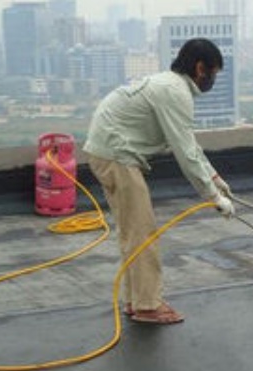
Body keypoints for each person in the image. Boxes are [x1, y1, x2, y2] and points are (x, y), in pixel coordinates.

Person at [83, 38, 234, 324]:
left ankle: (136, 301)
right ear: (200, 68)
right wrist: (213, 198)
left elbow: (189, 144)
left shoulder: (170, 85)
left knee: (132, 231)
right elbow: (185, 153)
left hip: (107, 152)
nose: (212, 80)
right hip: (117, 156)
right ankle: (147, 306)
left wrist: (215, 178)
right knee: (143, 232)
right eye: (213, 73)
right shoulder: (175, 92)